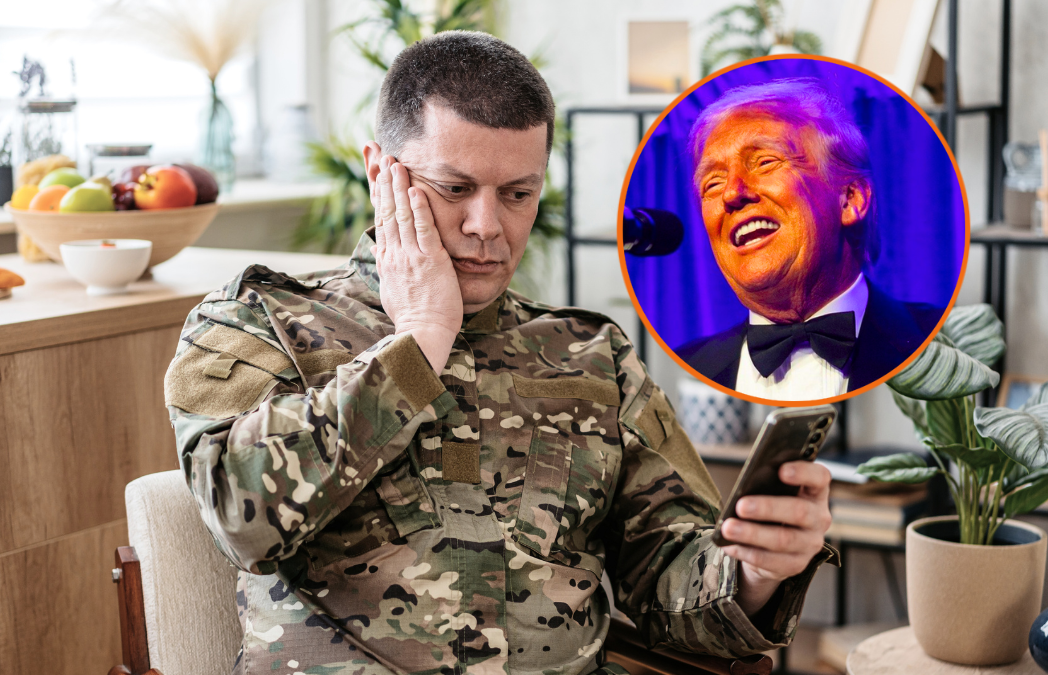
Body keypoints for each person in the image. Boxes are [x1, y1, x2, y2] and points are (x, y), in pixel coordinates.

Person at [165, 32, 836, 675]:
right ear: (381, 173)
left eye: (518, 194)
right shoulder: (259, 323)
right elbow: (238, 517)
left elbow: (668, 583)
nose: (487, 226)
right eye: (454, 188)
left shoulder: (592, 357)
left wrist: (755, 570)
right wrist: (420, 340)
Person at [675, 79, 943, 401]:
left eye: (764, 163)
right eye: (713, 184)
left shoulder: (941, 347)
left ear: (851, 199)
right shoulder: (689, 366)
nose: (732, 193)